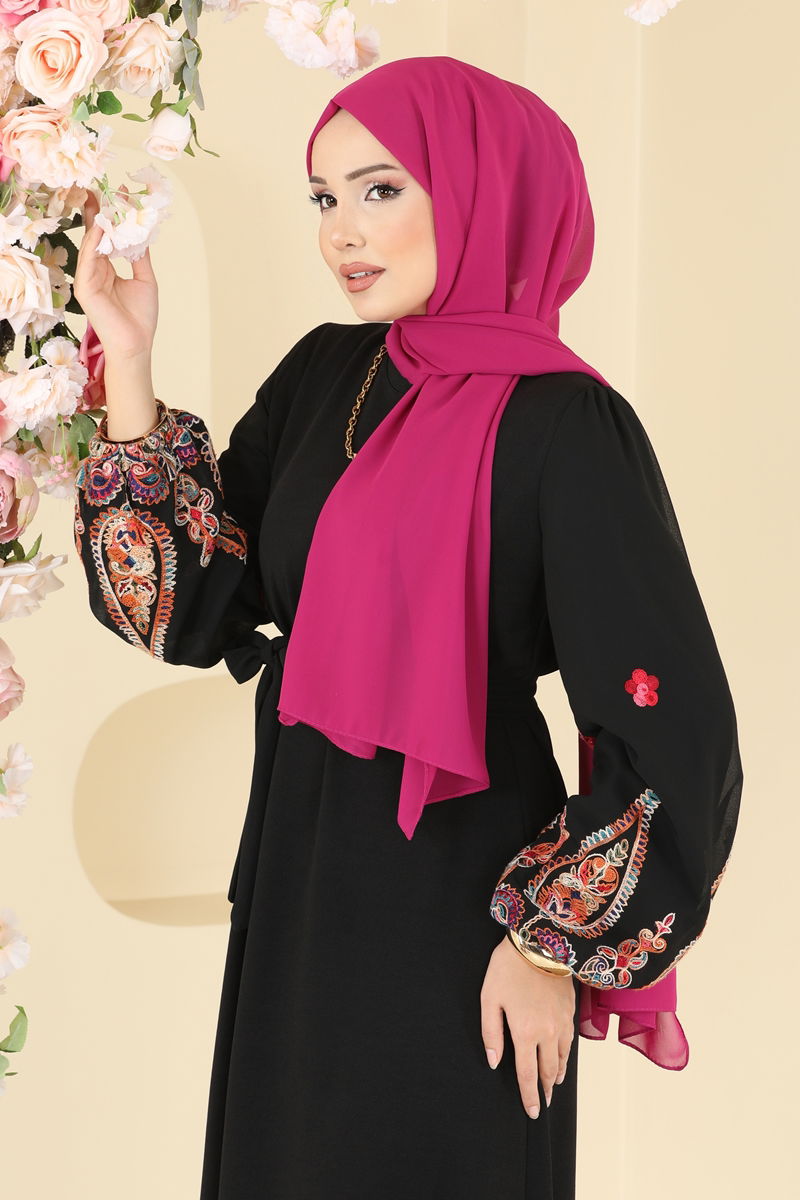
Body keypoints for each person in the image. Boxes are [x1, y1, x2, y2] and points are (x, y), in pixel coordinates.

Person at [72, 55, 742, 1200]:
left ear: (483, 192)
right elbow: (190, 608)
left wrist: (545, 947)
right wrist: (128, 361)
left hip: (463, 896)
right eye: (323, 197)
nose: (340, 230)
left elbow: (672, 730)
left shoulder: (566, 423)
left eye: (379, 190)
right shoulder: (326, 375)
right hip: (299, 864)